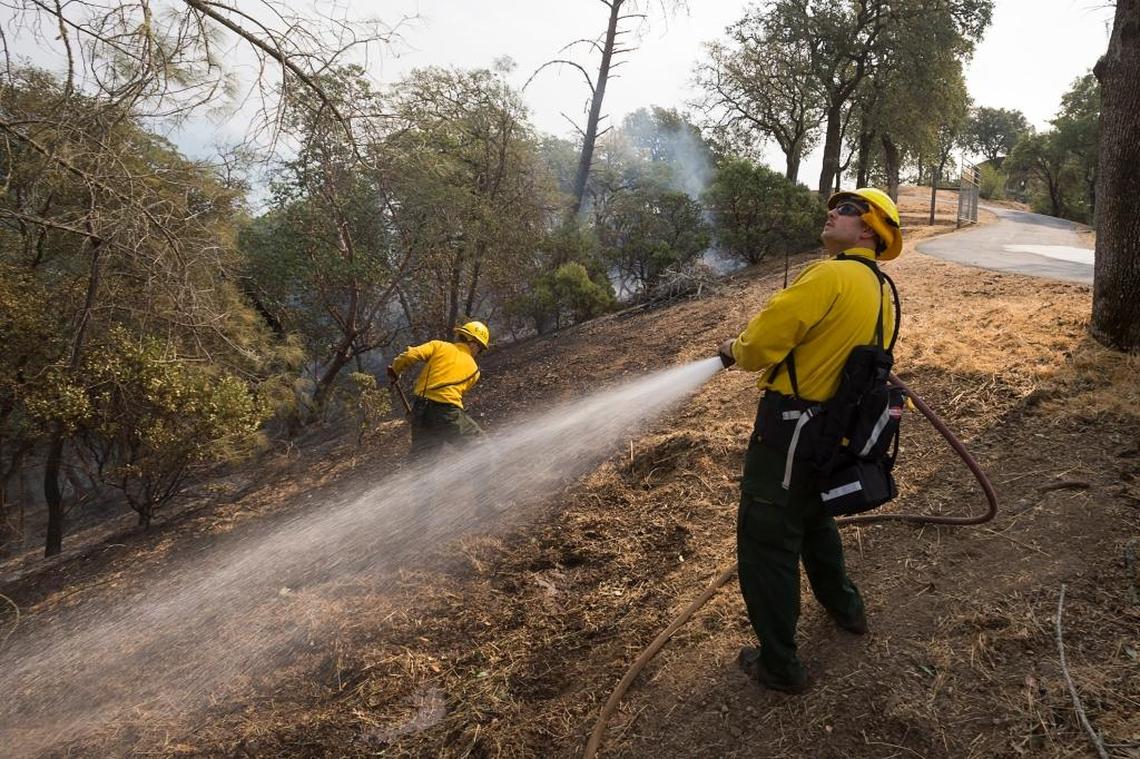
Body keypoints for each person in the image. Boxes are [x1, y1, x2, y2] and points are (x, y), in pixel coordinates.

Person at [717, 188, 902, 694]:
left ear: (868, 230)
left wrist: (734, 347)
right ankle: (848, 609)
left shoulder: (829, 275)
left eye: (845, 210)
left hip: (790, 430)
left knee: (767, 541)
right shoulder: (882, 289)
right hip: (832, 433)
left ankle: (779, 664)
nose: (831, 213)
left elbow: (761, 345)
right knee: (815, 519)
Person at [388, 321, 490, 457]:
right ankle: (486, 477)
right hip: (446, 412)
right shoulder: (474, 371)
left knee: (423, 461)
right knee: (481, 447)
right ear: (473, 343)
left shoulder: (439, 346)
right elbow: (454, 396)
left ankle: (418, 478)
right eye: (480, 348)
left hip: (420, 410)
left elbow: (410, 355)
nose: (479, 352)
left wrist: (395, 370)